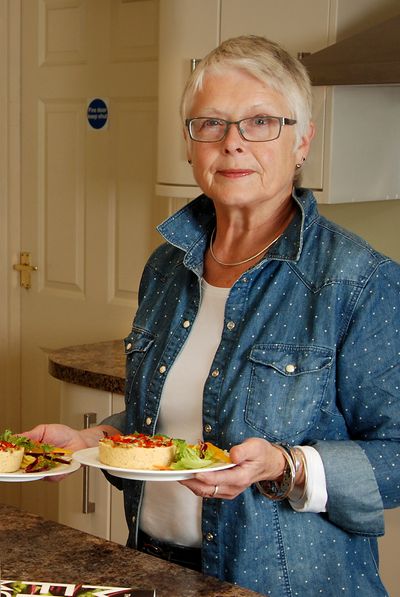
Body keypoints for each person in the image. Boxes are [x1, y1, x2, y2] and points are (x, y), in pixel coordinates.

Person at [24, 35, 400, 596]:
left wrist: (285, 465)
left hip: (286, 585)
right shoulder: (168, 267)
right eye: (211, 124)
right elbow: (180, 425)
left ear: (302, 142)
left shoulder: (357, 279)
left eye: (261, 122)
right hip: (156, 571)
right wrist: (95, 439)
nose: (233, 144)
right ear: (189, 143)